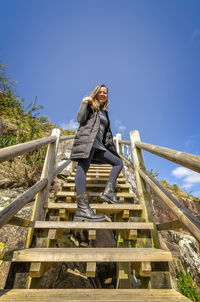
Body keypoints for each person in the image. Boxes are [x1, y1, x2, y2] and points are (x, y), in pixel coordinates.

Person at [70, 84, 124, 222]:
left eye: (105, 93)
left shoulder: (105, 112)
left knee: (118, 162)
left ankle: (108, 192)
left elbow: (106, 134)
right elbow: (80, 119)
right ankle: (82, 208)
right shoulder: (90, 105)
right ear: (95, 93)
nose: (102, 94)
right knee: (83, 168)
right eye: (100, 92)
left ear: (107, 97)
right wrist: (84, 103)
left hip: (99, 147)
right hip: (89, 141)